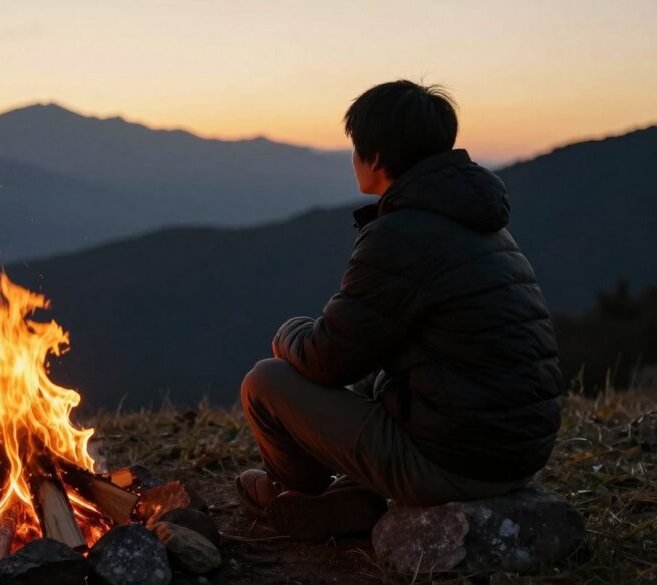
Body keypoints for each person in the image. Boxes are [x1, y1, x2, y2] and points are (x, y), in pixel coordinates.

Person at [236, 80, 563, 541]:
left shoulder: (402, 234)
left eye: (355, 147)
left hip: (457, 464)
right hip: (517, 450)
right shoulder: (478, 223)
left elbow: (326, 358)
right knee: (370, 379)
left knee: (265, 381)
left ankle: (297, 490)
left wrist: (289, 332)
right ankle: (354, 499)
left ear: (376, 157)